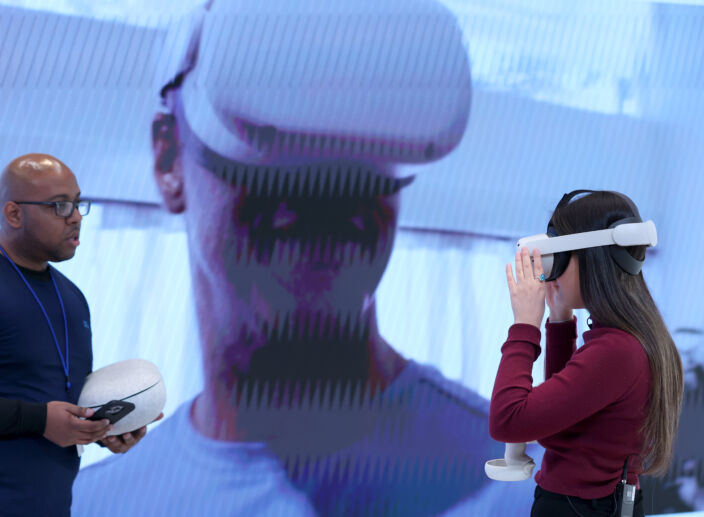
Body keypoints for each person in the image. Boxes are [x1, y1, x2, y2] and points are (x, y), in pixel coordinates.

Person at [72, 0, 536, 515]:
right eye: (275, 166)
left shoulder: (519, 490)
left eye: (359, 168)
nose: (323, 197)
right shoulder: (92, 506)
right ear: (168, 158)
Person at [0, 154, 149, 516]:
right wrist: (40, 420)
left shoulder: (73, 298)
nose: (76, 216)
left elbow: (54, 398)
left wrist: (103, 429)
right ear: (14, 214)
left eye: (78, 203)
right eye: (60, 206)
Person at [490, 190, 684, 517]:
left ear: (590, 257)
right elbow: (557, 424)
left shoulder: (617, 350)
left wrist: (525, 326)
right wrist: (560, 319)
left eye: (557, 257)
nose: (551, 273)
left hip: (578, 509)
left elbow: (508, 421)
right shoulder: (629, 338)